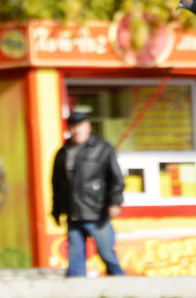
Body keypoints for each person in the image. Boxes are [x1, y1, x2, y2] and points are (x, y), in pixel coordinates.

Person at [50, 110, 125, 276]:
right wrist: (56, 210)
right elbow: (57, 185)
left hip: (97, 213)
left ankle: (123, 287)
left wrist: (114, 202)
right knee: (75, 261)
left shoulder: (102, 149)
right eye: (74, 126)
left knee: (106, 254)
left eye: (81, 125)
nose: (78, 130)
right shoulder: (62, 153)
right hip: (73, 215)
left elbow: (116, 180)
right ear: (69, 129)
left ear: (88, 126)